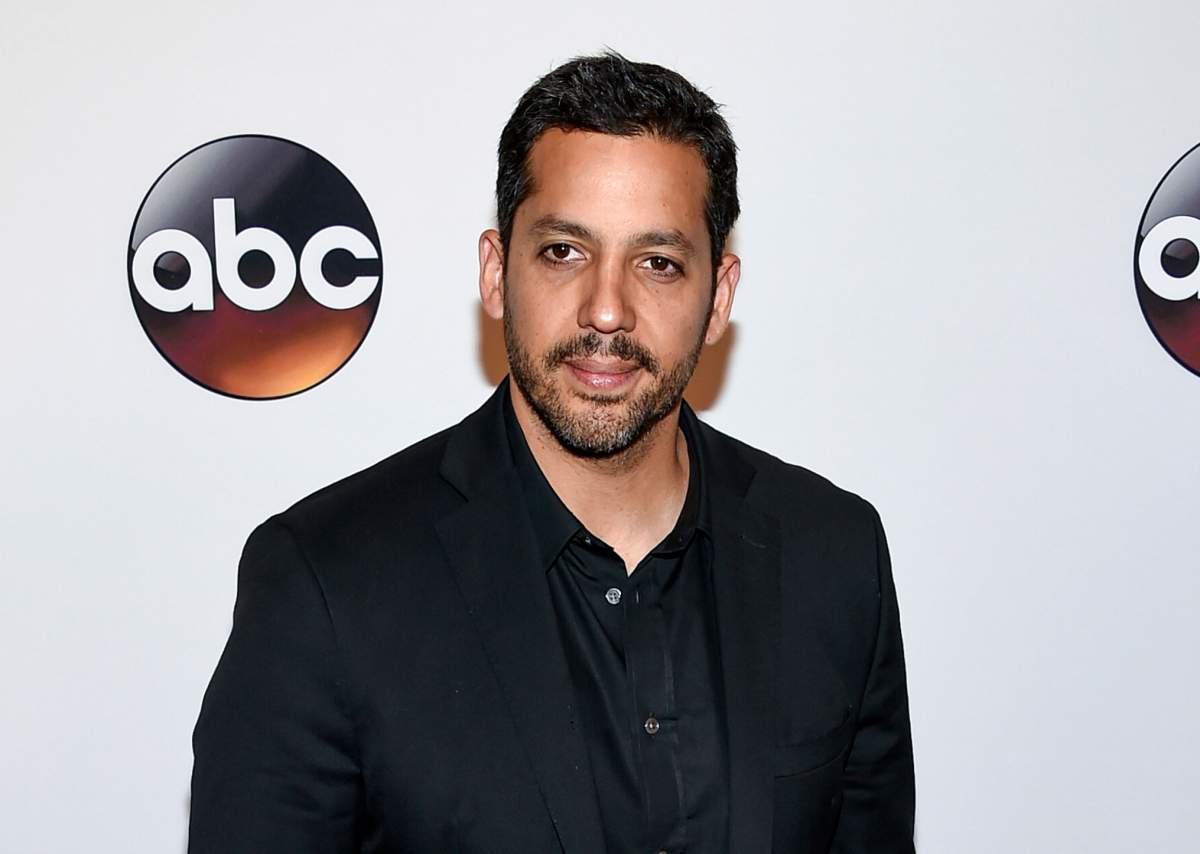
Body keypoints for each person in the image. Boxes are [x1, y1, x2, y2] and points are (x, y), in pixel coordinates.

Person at [188, 50, 916, 854]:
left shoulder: (831, 555)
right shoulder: (327, 583)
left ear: (719, 297)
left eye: (658, 263)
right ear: (496, 272)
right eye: (564, 251)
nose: (606, 310)